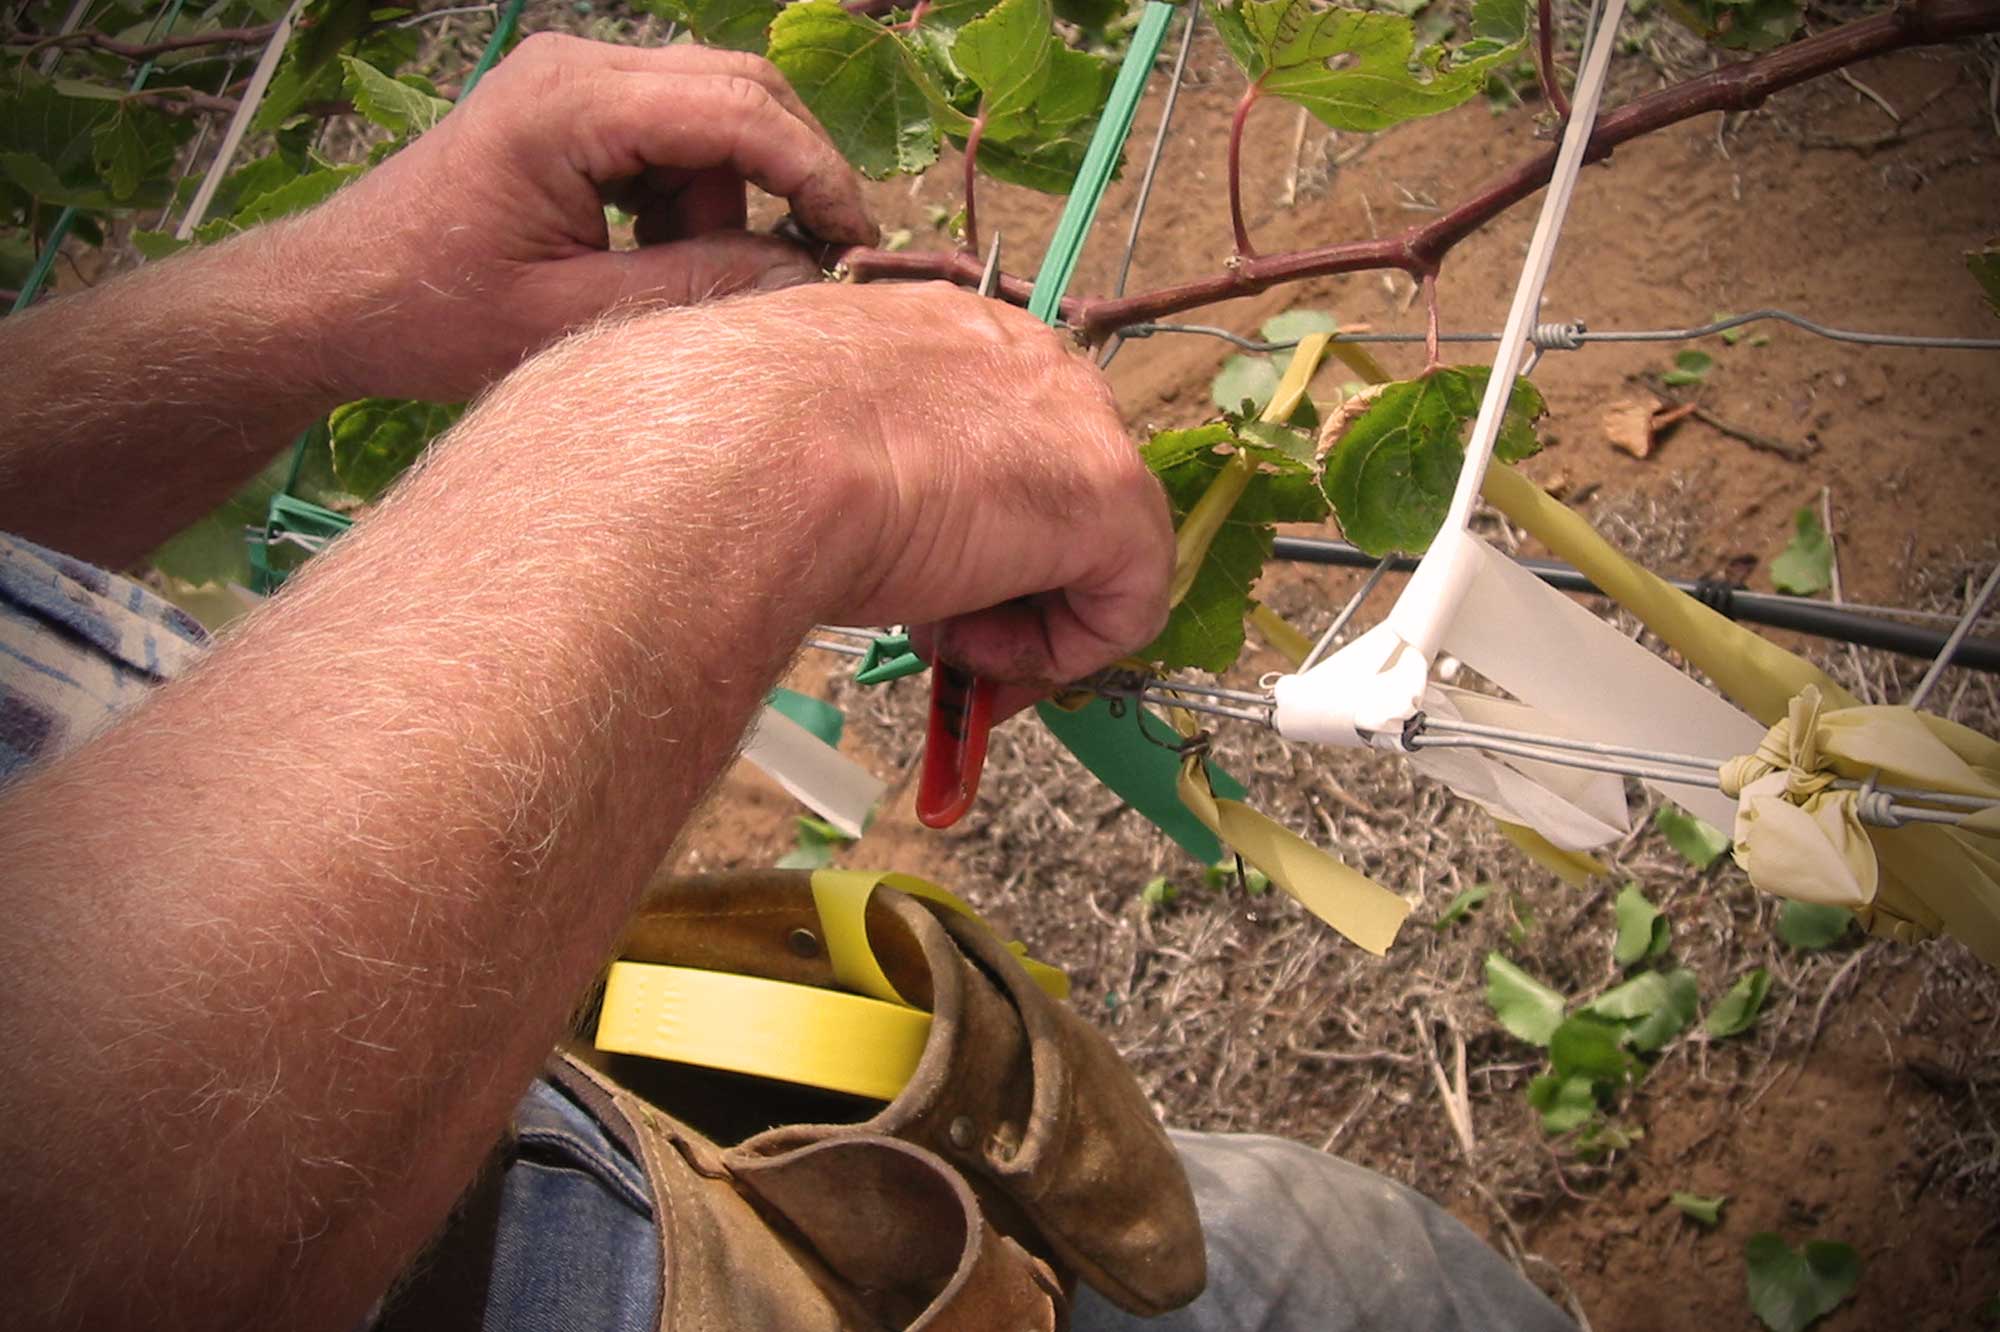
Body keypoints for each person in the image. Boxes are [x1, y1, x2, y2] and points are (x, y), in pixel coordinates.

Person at [0, 33, 1576, 1332]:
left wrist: (327, 299)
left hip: (608, 1111)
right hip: (679, 1286)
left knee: (1344, 1265)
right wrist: (751, 454)